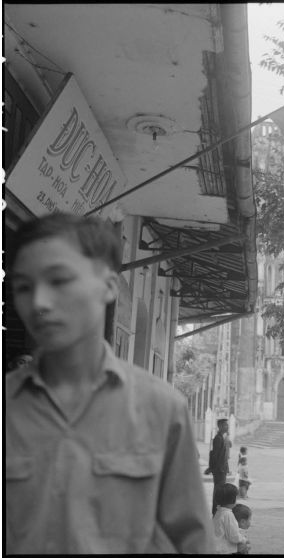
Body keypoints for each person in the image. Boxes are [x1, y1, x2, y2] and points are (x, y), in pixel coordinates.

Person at [5, 213, 213, 553]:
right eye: (23, 287)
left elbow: (192, 540)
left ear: (110, 286)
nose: (39, 303)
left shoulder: (162, 409)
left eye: (59, 280)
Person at [212, 483, 249, 554]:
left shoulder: (218, 512)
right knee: (244, 547)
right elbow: (234, 536)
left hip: (216, 547)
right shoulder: (228, 515)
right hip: (223, 549)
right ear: (233, 499)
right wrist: (243, 539)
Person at [209, 418, 232, 515]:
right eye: (226, 425)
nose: (228, 427)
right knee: (218, 490)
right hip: (219, 470)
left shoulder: (224, 437)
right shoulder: (218, 438)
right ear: (220, 426)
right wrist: (213, 468)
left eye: (228, 425)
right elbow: (215, 455)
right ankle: (215, 510)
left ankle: (217, 509)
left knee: (220, 490)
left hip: (223, 468)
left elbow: (226, 453)